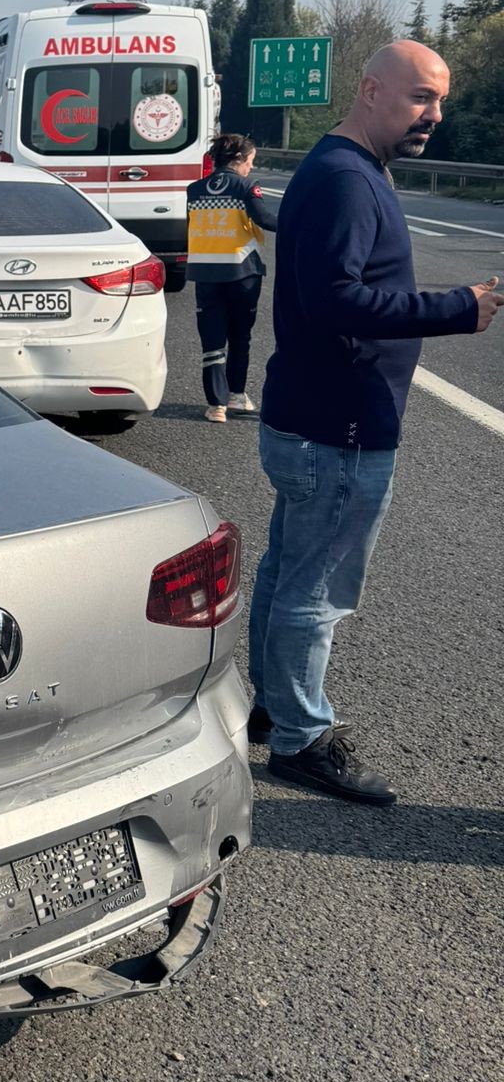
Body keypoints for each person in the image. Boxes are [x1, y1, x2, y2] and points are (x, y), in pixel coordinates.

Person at [249, 39, 500, 803]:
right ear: (370, 90)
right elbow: (335, 300)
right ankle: (301, 737)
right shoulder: (347, 179)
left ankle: (272, 706)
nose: (434, 115)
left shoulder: (343, 169)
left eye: (440, 101)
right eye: (421, 96)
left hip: (313, 419)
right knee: (316, 591)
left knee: (287, 572)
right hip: (340, 429)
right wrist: (459, 307)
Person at [185, 132, 277, 422]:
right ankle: (236, 395)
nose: (251, 167)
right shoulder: (247, 186)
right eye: (251, 161)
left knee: (212, 340)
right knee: (240, 337)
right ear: (239, 159)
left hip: (205, 273)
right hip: (242, 272)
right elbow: (264, 219)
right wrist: (303, 222)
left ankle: (217, 406)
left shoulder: (194, 190)